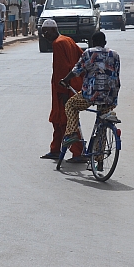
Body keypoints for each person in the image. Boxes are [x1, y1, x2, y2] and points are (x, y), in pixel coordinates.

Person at [60, 32, 120, 154]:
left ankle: (71, 133)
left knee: (71, 105)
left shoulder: (88, 53)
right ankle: (99, 159)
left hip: (91, 94)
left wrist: (65, 80)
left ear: (92, 42)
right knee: (103, 124)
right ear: (105, 42)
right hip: (110, 96)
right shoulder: (115, 55)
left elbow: (77, 70)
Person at [39, 19, 85, 161]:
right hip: (72, 85)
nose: (44, 37)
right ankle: (55, 149)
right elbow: (81, 56)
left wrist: (64, 93)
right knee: (58, 120)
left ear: (50, 31)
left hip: (64, 89)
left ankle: (78, 152)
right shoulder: (68, 40)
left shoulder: (58, 43)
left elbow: (61, 70)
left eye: (45, 33)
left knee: (66, 120)